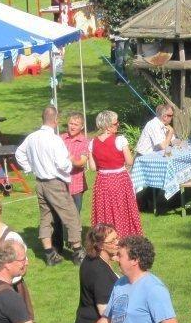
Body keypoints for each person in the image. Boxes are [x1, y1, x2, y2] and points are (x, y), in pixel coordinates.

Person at [16, 106, 84, 265]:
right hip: (55, 183)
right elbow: (63, 164)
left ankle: (50, 254)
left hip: (40, 182)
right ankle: (78, 253)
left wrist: (29, 168)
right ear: (56, 120)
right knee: (72, 216)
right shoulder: (55, 140)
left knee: (46, 217)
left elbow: (19, 153)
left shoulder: (32, 137)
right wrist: (68, 164)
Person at [89, 110, 143, 239]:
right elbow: (129, 161)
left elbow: (92, 167)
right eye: (115, 123)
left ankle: (106, 239)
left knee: (105, 211)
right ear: (108, 126)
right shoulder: (120, 140)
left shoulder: (92, 143)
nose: (118, 125)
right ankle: (125, 236)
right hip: (119, 179)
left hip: (102, 181)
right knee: (123, 210)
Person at [62, 113, 89, 222]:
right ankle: (62, 236)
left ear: (81, 127)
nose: (72, 126)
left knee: (75, 215)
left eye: (76, 124)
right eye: (71, 123)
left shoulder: (85, 142)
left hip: (77, 184)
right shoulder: (60, 138)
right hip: (61, 183)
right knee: (60, 215)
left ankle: (74, 238)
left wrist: (70, 158)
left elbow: (81, 162)